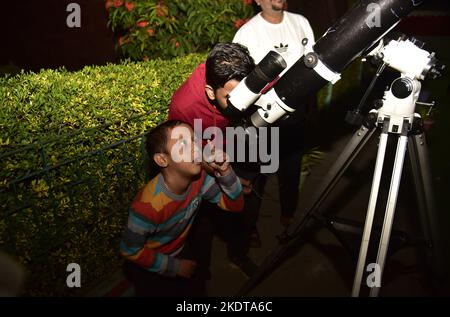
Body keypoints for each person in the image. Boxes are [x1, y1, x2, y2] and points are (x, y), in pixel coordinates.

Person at [120, 120, 244, 297]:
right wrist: (174, 267)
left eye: (194, 140)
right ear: (162, 159)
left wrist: (226, 171)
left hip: (181, 249)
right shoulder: (147, 206)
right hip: (151, 265)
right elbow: (129, 250)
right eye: (183, 143)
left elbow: (235, 205)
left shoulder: (200, 179)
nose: (195, 148)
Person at [168, 42, 260, 278]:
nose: (242, 102)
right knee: (203, 221)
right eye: (231, 97)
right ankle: (201, 274)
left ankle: (239, 253)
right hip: (208, 159)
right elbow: (187, 155)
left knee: (247, 203)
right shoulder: (184, 105)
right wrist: (226, 175)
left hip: (241, 142)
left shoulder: (246, 77)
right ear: (210, 91)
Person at [233, 0, 316, 231]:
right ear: (257, 1)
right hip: (261, 117)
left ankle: (288, 218)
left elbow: (313, 63)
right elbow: (238, 80)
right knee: (257, 175)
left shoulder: (301, 23)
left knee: (291, 171)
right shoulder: (247, 33)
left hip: (294, 114)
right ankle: (248, 230)